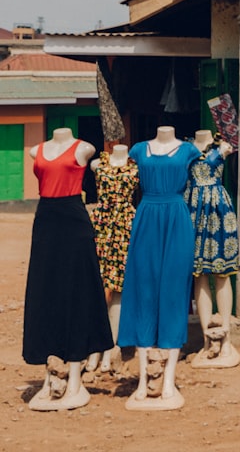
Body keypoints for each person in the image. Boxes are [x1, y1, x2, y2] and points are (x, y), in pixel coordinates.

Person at [23, 128, 114, 411]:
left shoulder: (83, 147)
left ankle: (76, 374)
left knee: (77, 293)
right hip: (46, 222)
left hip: (74, 221)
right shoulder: (35, 150)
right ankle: (51, 370)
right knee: (45, 294)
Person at [117, 126, 201, 410]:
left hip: (176, 219)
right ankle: (143, 379)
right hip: (147, 217)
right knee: (144, 293)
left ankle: (169, 379)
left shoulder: (190, 151)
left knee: (174, 294)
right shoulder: (139, 150)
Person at [186, 129, 240, 369]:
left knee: (222, 273)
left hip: (218, 209)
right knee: (199, 275)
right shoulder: (185, 148)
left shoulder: (223, 146)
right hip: (191, 210)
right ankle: (208, 341)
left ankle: (226, 338)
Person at [86, 143, 138, 373]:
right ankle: (93, 347)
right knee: (97, 286)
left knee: (118, 288)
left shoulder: (137, 166)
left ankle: (109, 348)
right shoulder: (98, 164)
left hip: (125, 226)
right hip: (101, 225)